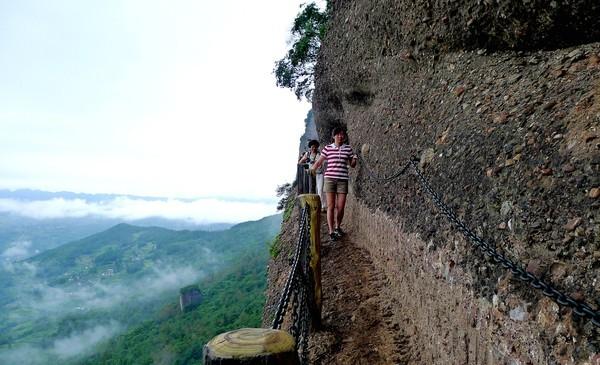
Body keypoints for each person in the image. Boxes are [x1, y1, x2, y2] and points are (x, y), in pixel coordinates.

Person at [310, 127, 357, 241]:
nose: (340, 136)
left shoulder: (348, 149)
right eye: (338, 134)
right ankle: (331, 231)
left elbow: (352, 165)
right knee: (331, 207)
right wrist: (312, 169)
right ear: (333, 136)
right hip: (330, 179)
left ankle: (338, 227)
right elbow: (320, 161)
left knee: (340, 207)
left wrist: (354, 159)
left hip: (342, 180)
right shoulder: (327, 148)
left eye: (342, 134)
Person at [298, 140, 327, 211]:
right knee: (311, 189)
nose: (314, 148)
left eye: (315, 147)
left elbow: (322, 163)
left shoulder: (320, 154)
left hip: (319, 173)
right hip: (311, 173)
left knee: (320, 190)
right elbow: (300, 162)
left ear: (317, 147)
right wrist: (306, 167)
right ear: (310, 147)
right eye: (312, 147)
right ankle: (313, 206)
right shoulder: (307, 154)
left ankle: (322, 206)